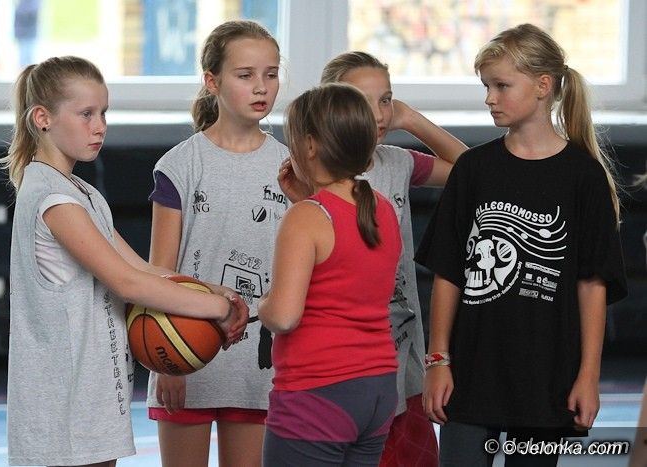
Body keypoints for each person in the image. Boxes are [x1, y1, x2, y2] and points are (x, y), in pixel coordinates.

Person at [0, 56, 248, 467]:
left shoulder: (82, 193)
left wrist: (218, 291)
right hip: (62, 404)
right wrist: (217, 309)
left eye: (104, 113)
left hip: (93, 396)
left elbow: (142, 268)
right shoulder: (52, 198)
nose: (100, 126)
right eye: (86, 114)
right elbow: (126, 284)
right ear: (43, 118)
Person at [415, 23, 628, 467]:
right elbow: (449, 273)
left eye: (501, 86)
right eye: (486, 86)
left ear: (543, 86)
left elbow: (592, 285)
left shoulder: (583, 177)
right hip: (470, 375)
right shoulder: (474, 169)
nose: (489, 98)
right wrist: (437, 361)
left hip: (547, 380)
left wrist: (588, 376)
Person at [144, 20, 289, 467]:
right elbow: (160, 272)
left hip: (259, 366)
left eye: (271, 74)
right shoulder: (181, 165)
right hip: (184, 355)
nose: (261, 87)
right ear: (212, 81)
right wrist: (167, 363)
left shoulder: (293, 166)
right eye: (245, 75)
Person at [319, 51, 468, 467]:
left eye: (385, 100)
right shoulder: (309, 171)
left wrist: (411, 119)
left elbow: (471, 171)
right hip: (343, 366)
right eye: (362, 101)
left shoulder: (398, 163)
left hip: (402, 358)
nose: (379, 114)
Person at [258, 82, 402, 466]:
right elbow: (348, 267)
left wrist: (260, 303)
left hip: (319, 390)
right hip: (378, 390)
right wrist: (307, 201)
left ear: (309, 146)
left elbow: (284, 317)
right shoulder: (382, 209)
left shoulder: (307, 218)